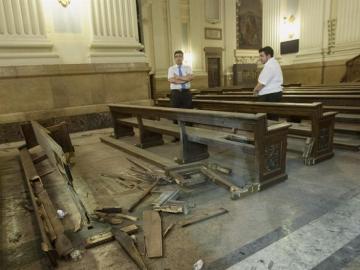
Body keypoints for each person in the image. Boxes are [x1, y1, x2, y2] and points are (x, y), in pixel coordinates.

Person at [253, 46, 283, 120]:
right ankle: (272, 130)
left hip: (269, 95)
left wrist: (255, 91)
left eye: (262, 56)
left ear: (268, 56)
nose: (260, 58)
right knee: (272, 117)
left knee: (261, 118)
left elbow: (261, 83)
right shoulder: (274, 63)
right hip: (274, 93)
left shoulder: (269, 65)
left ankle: (264, 131)